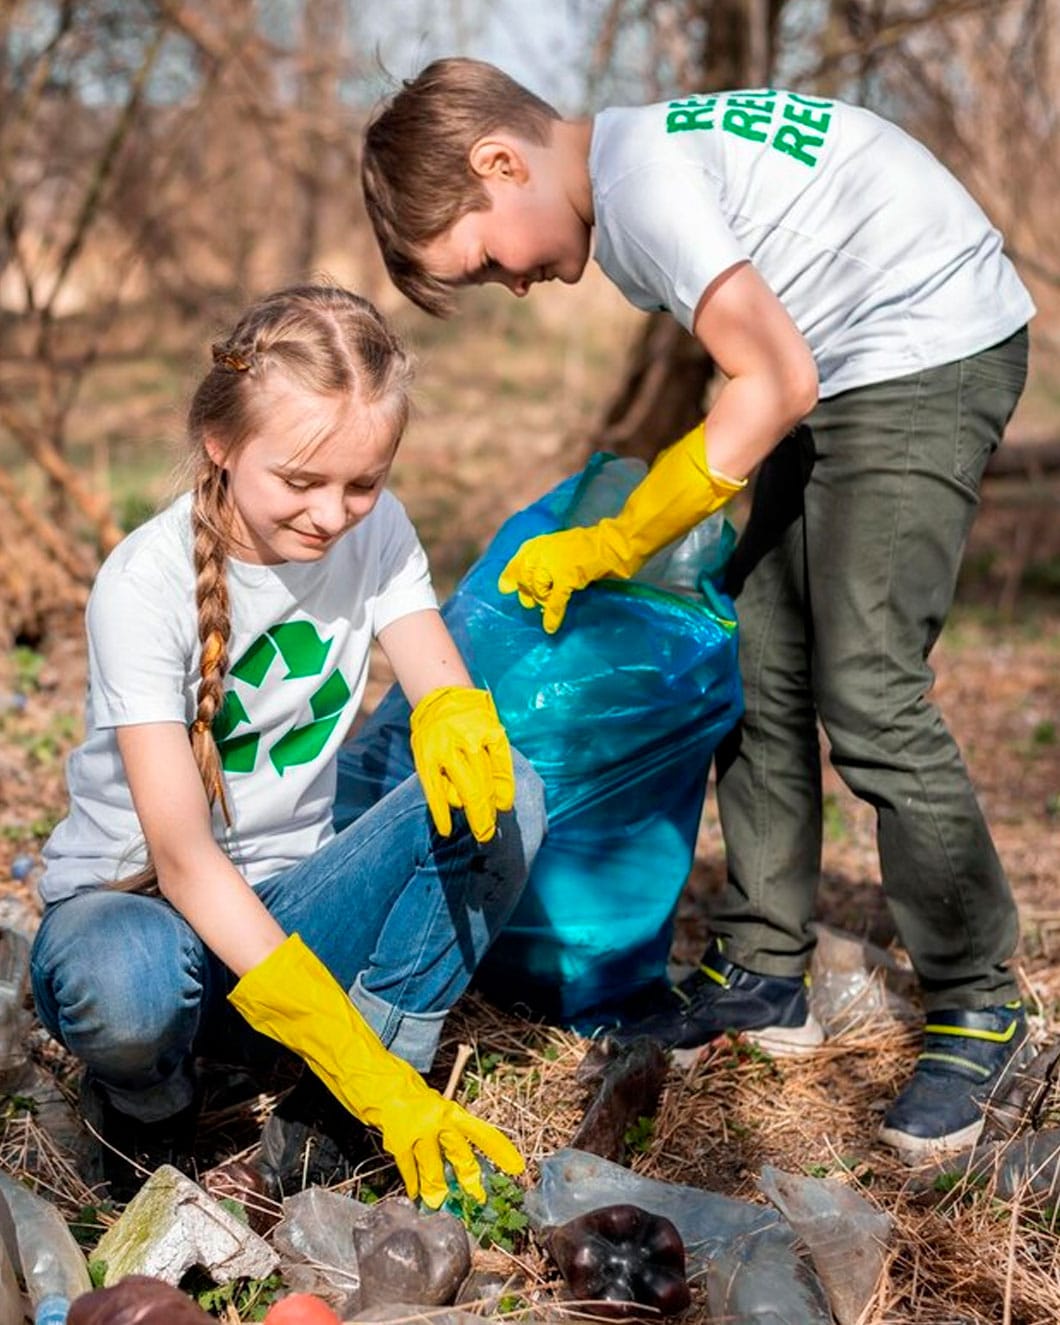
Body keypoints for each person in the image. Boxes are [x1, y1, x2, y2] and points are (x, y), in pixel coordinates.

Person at [360, 59, 1036, 1160]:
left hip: (922, 344)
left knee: (865, 684)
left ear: (502, 163)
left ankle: (979, 999)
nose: (515, 286)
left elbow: (772, 379)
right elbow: (773, 368)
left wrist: (620, 537)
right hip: (842, 350)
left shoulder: (639, 183)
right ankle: (767, 966)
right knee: (756, 655)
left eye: (487, 261)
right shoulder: (631, 177)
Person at [29, 283, 546, 1204]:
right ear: (221, 444)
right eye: (300, 481)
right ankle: (151, 1102)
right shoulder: (143, 586)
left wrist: (456, 712)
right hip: (144, 912)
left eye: (363, 481)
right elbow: (184, 864)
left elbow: (439, 681)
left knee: (511, 793)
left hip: (294, 907)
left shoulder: (376, 529)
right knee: (125, 982)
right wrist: (345, 1045)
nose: (332, 512)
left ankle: (343, 1105)